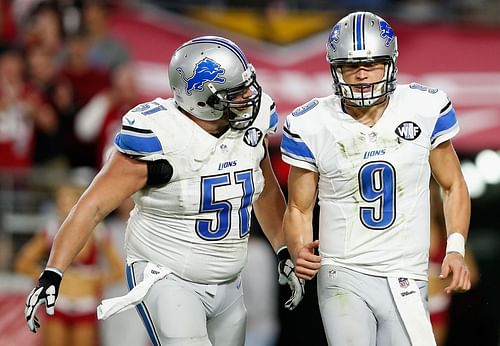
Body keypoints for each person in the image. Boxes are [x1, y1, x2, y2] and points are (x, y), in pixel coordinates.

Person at [23, 35, 304, 346]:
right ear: (202, 98)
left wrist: (282, 249)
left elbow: (262, 190)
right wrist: (54, 270)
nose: (249, 97)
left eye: (247, 86)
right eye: (235, 92)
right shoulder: (160, 138)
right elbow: (93, 206)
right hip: (166, 274)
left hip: (227, 280)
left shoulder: (250, 127)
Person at [281, 11, 471, 346]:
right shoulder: (311, 123)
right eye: (350, 66)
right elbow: (298, 207)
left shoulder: (423, 107)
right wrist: (298, 248)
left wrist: (455, 248)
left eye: (372, 63)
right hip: (343, 269)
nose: (361, 74)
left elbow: (453, 184)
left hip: (407, 271)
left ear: (391, 63)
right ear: (334, 68)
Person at [15, 177, 124, 346]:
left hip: (85, 304)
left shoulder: (97, 232)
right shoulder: (51, 230)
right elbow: (23, 263)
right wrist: (47, 278)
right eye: (60, 201)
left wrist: (94, 280)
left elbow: (118, 271)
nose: (63, 205)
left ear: (80, 203)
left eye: (68, 200)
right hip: (58, 302)